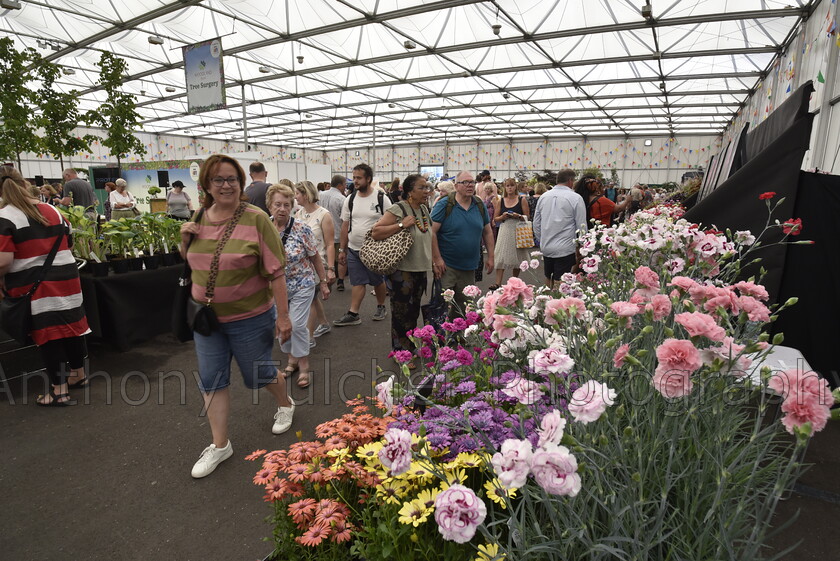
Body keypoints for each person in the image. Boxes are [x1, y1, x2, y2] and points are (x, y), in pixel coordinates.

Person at [178, 154, 294, 479]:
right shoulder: (198, 216)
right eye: (219, 179)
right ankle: (219, 444)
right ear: (206, 185)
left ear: (241, 182)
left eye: (232, 179)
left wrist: (283, 318)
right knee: (212, 379)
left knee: (257, 375)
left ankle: (285, 404)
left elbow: (276, 272)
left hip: (250, 317)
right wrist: (184, 243)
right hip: (206, 319)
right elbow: (193, 263)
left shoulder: (257, 219)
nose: (226, 185)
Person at [0, 166, 90, 406]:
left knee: (49, 336)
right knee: (71, 328)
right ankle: (79, 375)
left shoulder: (6, 216)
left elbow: (4, 261)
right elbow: (69, 241)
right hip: (68, 279)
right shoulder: (51, 208)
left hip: (35, 285)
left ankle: (59, 392)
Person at [269, 183, 330, 389]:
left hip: (302, 284)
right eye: (278, 204)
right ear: (269, 206)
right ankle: (291, 359)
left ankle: (303, 365)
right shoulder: (263, 229)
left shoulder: (301, 228)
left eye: (287, 204)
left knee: (295, 324)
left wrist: (323, 282)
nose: (282, 209)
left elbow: (315, 258)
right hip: (275, 289)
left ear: (292, 206)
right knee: (281, 325)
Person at [371, 174, 433, 369]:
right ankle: (400, 351)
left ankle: (410, 346)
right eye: (422, 188)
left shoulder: (423, 209)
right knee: (401, 311)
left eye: (427, 188)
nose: (427, 191)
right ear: (409, 191)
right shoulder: (398, 208)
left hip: (420, 268)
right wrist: (400, 225)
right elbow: (376, 231)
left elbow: (430, 234)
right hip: (402, 270)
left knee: (414, 310)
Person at [335, 163, 391, 327]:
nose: (355, 181)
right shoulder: (350, 199)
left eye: (359, 178)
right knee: (357, 282)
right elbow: (345, 225)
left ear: (368, 179)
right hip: (354, 249)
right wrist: (342, 249)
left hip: (374, 250)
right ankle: (354, 313)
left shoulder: (381, 198)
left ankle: (381, 306)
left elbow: (392, 220)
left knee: (377, 281)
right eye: (354, 178)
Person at [431, 171, 495, 315]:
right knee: (444, 308)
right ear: (456, 186)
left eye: (472, 182)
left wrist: (491, 257)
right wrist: (437, 259)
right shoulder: (445, 204)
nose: (470, 185)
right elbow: (431, 232)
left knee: (464, 309)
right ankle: (442, 337)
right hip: (447, 267)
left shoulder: (479, 204)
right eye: (465, 182)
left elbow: (487, 231)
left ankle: (461, 337)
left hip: (469, 267)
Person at [293, 180, 335, 341]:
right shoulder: (299, 214)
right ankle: (323, 323)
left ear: (306, 194)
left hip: (318, 263)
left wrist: (330, 268)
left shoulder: (324, 215)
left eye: (297, 193)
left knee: (309, 299)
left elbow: (330, 243)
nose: (295, 197)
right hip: (302, 264)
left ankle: (307, 338)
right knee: (312, 297)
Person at [533, 169, 587, 288]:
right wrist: (582, 246)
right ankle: (558, 303)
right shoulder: (576, 198)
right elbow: (581, 225)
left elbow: (536, 223)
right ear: (570, 181)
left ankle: (545, 303)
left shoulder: (543, 197)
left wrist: (541, 239)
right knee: (562, 281)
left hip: (547, 245)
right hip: (565, 246)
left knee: (548, 277)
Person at [491, 178, 531, 290]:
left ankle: (514, 280)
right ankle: (497, 283)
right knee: (500, 256)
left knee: (517, 256)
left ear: (515, 187)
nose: (509, 188)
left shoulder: (522, 199)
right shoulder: (501, 201)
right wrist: (503, 217)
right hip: (505, 229)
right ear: (505, 187)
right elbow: (495, 218)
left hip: (518, 229)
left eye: (512, 185)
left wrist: (517, 216)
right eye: (507, 186)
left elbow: (527, 216)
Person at [319, 174, 347, 291]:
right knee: (341, 258)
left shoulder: (320, 195)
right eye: (345, 185)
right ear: (340, 185)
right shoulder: (342, 199)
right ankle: (340, 281)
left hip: (322, 234)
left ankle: (324, 280)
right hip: (337, 234)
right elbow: (344, 219)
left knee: (323, 259)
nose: (345, 187)